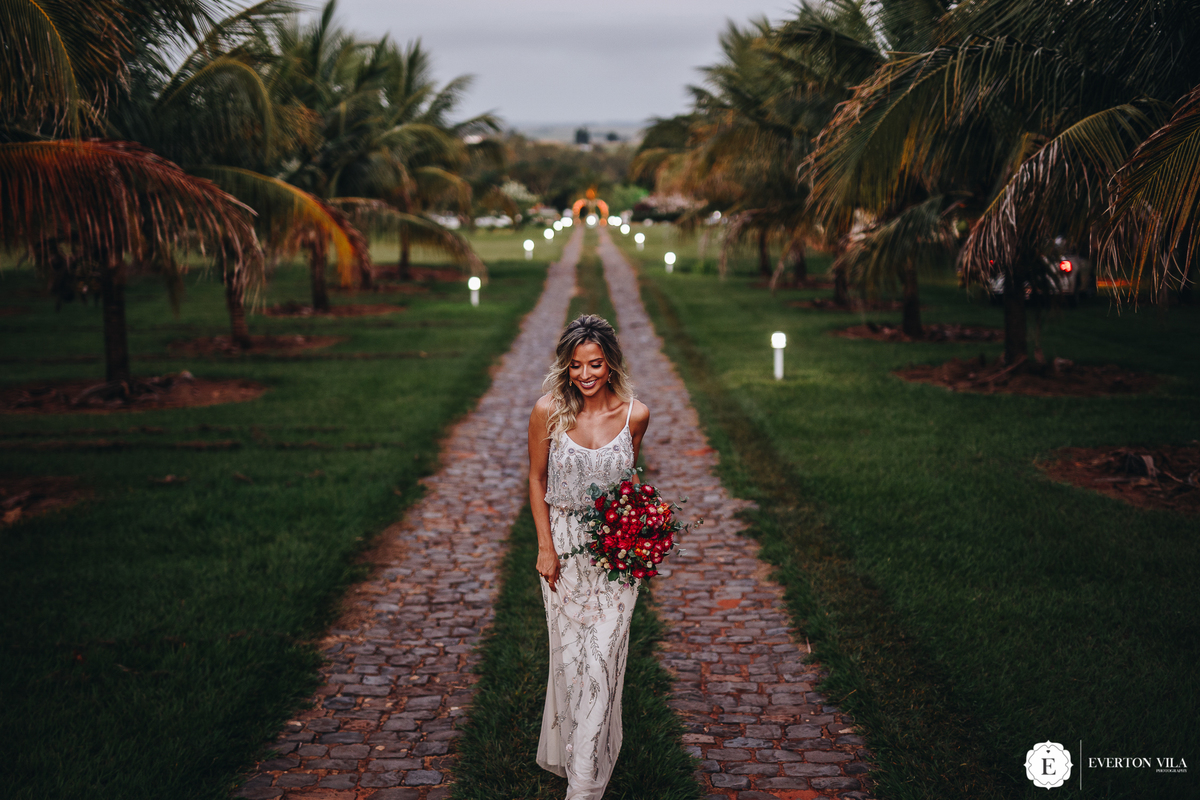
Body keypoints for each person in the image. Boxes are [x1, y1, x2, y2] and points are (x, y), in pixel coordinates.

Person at [527, 314, 650, 800]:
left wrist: (643, 527)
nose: (585, 375)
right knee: (573, 664)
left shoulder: (634, 415)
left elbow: (629, 480)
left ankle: (582, 790)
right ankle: (582, 759)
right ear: (566, 366)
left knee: (604, 660)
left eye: (595, 364)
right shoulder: (548, 412)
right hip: (563, 551)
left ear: (610, 364)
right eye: (576, 365)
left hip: (617, 557)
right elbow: (537, 480)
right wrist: (545, 546)